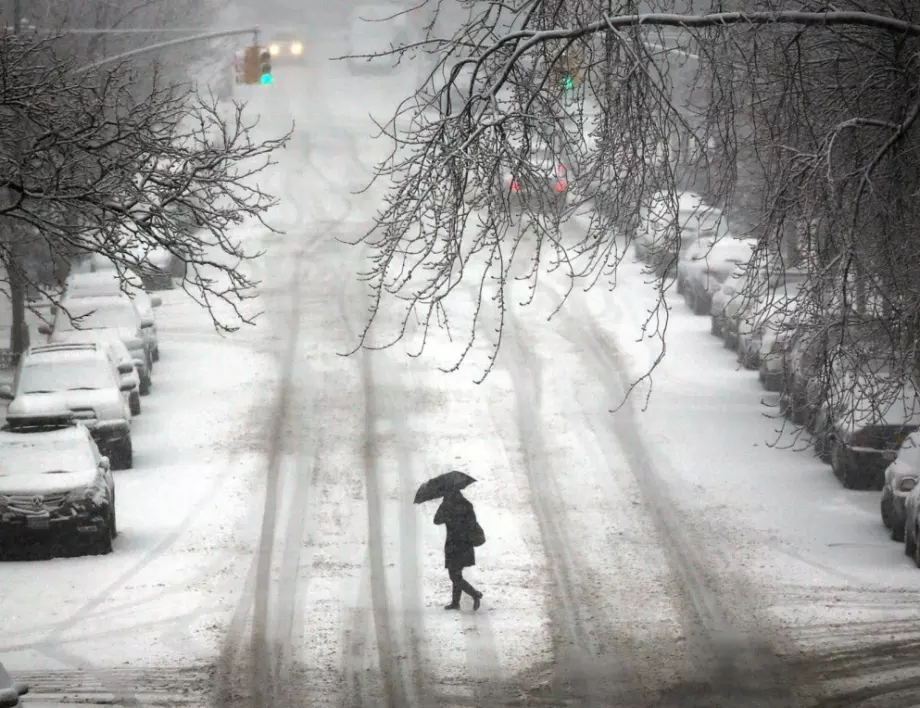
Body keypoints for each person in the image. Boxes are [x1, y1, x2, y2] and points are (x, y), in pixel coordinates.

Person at [434, 489, 484, 611]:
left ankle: (475, 594)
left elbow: (436, 520)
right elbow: (472, 523)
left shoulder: (447, 506)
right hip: (465, 544)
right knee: (457, 573)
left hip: (453, 545)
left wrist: (444, 508)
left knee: (454, 575)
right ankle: (455, 602)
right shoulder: (467, 504)